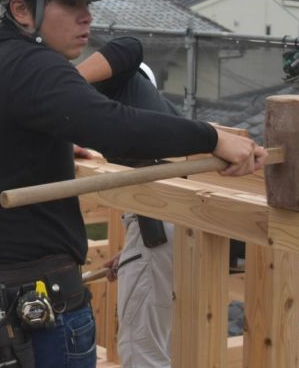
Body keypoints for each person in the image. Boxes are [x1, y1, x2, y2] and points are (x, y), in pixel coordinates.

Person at [0, 0, 267, 367]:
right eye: (71, 3)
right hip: (34, 312)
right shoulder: (33, 67)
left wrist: (50, 148)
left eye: (88, 4)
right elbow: (118, 128)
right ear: (22, 9)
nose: (87, 17)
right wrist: (213, 137)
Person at [80, 45, 179, 367]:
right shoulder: (161, 131)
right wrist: (132, 253)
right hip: (170, 233)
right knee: (156, 343)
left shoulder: (114, 84)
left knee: (141, 349)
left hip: (158, 230)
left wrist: (64, 82)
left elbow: (126, 48)